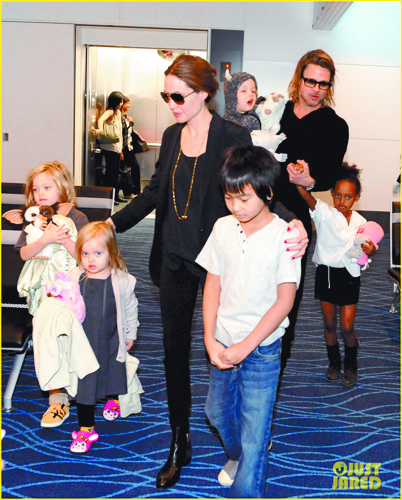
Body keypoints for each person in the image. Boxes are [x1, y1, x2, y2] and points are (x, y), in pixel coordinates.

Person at [106, 54, 307, 490]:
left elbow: (261, 187)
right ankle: (180, 440)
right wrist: (111, 224)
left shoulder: (232, 135)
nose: (171, 104)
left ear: (204, 94)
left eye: (178, 97)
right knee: (174, 353)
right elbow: (155, 192)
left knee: (234, 339)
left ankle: (250, 428)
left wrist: (295, 223)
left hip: (221, 258)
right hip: (174, 257)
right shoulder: (171, 136)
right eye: (166, 96)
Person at [196, 145, 301, 497]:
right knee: (216, 412)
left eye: (243, 199)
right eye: (229, 198)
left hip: (262, 348)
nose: (235, 207)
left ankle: (248, 478)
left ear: (268, 193)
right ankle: (237, 455)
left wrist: (246, 346)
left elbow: (285, 301)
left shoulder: (285, 236)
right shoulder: (223, 227)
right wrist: (209, 338)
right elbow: (213, 285)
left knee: (256, 431)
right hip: (223, 341)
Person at [275, 49, 350, 370]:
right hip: (255, 212)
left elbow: (331, 173)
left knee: (287, 290)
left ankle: (279, 359)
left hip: (295, 215)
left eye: (324, 84)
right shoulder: (276, 110)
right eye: (310, 81)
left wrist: (311, 179)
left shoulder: (336, 125)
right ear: (299, 78)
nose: (316, 89)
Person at [12, 161, 89, 427]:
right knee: (49, 340)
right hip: (42, 292)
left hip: (70, 291)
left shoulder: (77, 218)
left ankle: (79, 391)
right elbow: (24, 254)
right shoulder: (35, 218)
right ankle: (58, 399)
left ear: (63, 187)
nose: (40, 194)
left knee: (66, 338)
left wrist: (63, 238)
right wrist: (44, 239)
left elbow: (86, 256)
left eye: (47, 187)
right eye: (35, 189)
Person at [291, 161, 375, 387]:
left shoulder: (361, 222)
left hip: (349, 277)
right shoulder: (324, 213)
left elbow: (369, 246)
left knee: (346, 326)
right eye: (338, 196)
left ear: (356, 198)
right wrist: (300, 179)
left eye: (348, 197)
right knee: (329, 324)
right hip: (326, 275)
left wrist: (370, 249)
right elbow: (305, 195)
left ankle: (351, 363)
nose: (342, 201)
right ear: (332, 194)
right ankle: (334, 363)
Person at [66, 221, 140, 453]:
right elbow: (63, 306)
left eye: (98, 253)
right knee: (86, 382)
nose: (91, 259)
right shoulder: (75, 277)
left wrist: (130, 332)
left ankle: (113, 398)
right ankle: (86, 428)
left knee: (112, 372)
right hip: (83, 342)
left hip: (111, 338)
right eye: (85, 254)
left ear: (111, 253)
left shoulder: (122, 280)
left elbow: (130, 308)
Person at [91, 91, 127, 205]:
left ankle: (115, 195)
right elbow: (100, 120)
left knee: (115, 173)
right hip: (109, 147)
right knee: (111, 173)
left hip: (116, 147)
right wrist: (100, 130)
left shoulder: (118, 113)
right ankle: (109, 196)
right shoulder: (110, 111)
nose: (121, 104)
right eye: (120, 102)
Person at [119, 95, 141, 198]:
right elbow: (121, 133)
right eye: (127, 103)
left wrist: (130, 123)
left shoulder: (125, 116)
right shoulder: (119, 117)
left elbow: (128, 132)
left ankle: (134, 191)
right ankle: (130, 192)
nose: (129, 105)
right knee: (127, 169)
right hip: (124, 148)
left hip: (129, 147)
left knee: (131, 168)